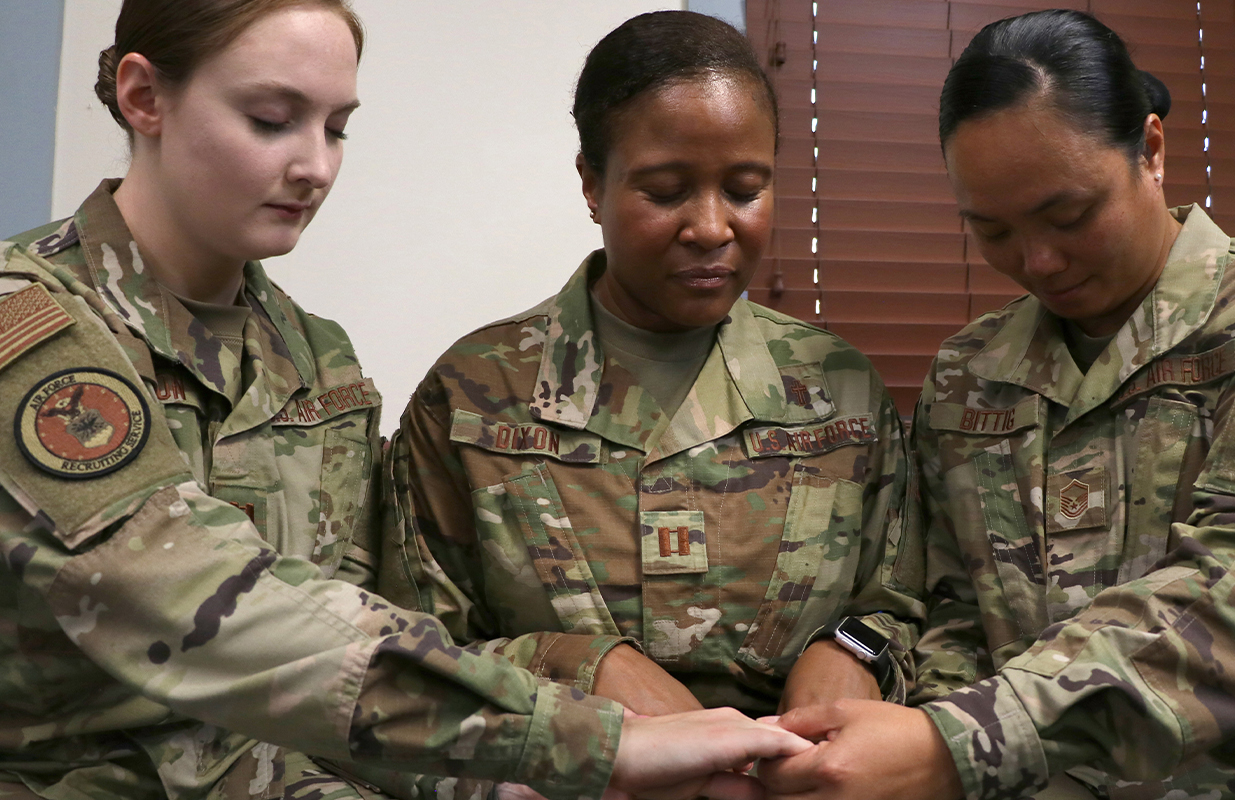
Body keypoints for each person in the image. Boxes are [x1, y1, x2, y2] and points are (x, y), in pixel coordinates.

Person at [0, 2, 811, 799]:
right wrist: (591, 744)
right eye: (273, 119)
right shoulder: (27, 324)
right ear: (145, 99)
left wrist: (506, 785)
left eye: (337, 126)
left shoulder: (318, 361)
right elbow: (203, 609)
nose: (315, 165)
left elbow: (366, 654)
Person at [759, 9, 1235, 800]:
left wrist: (964, 741)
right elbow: (956, 611)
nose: (1038, 260)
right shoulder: (970, 373)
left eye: (1070, 215)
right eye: (994, 230)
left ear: (1150, 151)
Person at [382, 6, 922, 743]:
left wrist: (853, 650)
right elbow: (405, 658)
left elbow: (909, 602)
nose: (709, 226)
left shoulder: (839, 391)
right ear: (592, 184)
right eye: (666, 191)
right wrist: (576, 664)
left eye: (745, 187)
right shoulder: (472, 398)